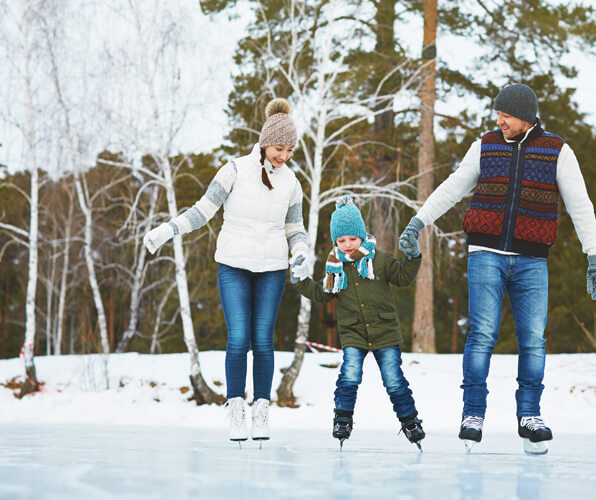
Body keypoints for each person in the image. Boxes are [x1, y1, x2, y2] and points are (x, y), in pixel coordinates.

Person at [397, 83, 596, 453]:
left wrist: (594, 255)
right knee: (481, 335)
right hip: (485, 253)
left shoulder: (557, 151)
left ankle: (530, 415)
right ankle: (473, 413)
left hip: (532, 259)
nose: (499, 121)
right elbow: (452, 187)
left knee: (533, 339)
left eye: (505, 115)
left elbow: (581, 204)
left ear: (524, 116)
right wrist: (418, 222)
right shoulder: (486, 144)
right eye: (497, 114)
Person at [143, 98, 310, 443]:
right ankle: (236, 410)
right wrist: (167, 230)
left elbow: (295, 228)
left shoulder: (292, 182)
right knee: (238, 339)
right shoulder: (234, 170)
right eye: (280, 148)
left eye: (290, 149)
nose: (285, 155)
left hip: (272, 269)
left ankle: (261, 411)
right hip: (233, 265)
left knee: (263, 340)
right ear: (265, 142)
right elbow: (203, 211)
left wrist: (302, 252)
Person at [290, 196, 426, 450]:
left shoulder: (381, 260)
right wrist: (300, 280)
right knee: (349, 374)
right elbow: (322, 294)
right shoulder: (335, 268)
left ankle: (409, 421)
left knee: (393, 379)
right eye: (341, 241)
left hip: (385, 332)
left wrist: (412, 256)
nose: (347, 245)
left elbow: (404, 277)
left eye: (352, 238)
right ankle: (342, 419)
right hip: (353, 333)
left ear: (362, 235)